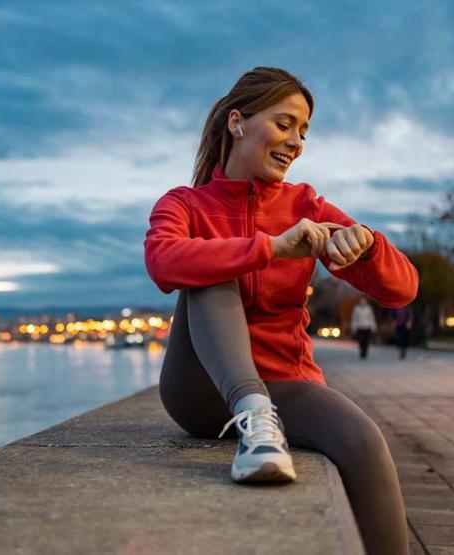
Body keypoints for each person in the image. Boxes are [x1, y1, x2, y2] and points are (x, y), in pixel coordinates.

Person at [143, 67, 419, 555]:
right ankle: (252, 416)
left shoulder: (307, 206)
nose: (296, 142)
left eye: (304, 132)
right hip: (200, 390)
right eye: (285, 123)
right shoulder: (184, 204)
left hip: (286, 384)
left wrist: (368, 245)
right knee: (211, 263)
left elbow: (402, 290)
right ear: (238, 123)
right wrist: (269, 247)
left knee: (365, 442)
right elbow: (163, 262)